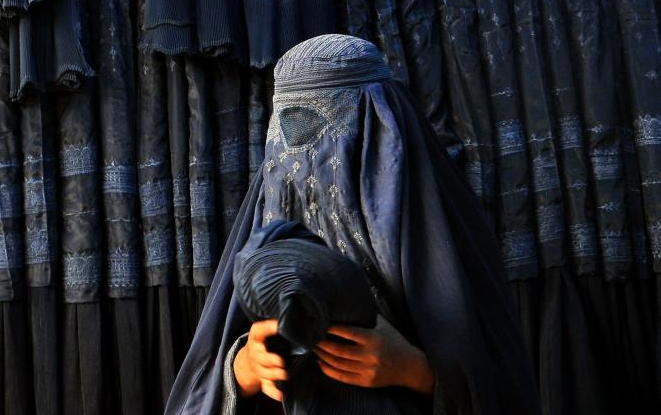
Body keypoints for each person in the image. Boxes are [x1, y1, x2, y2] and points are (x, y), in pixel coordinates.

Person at [166, 34, 541, 414]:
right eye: (287, 129)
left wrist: (415, 372)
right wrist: (244, 370)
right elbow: (201, 390)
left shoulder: (449, 242)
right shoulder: (264, 232)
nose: (299, 152)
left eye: (323, 126)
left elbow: (505, 388)